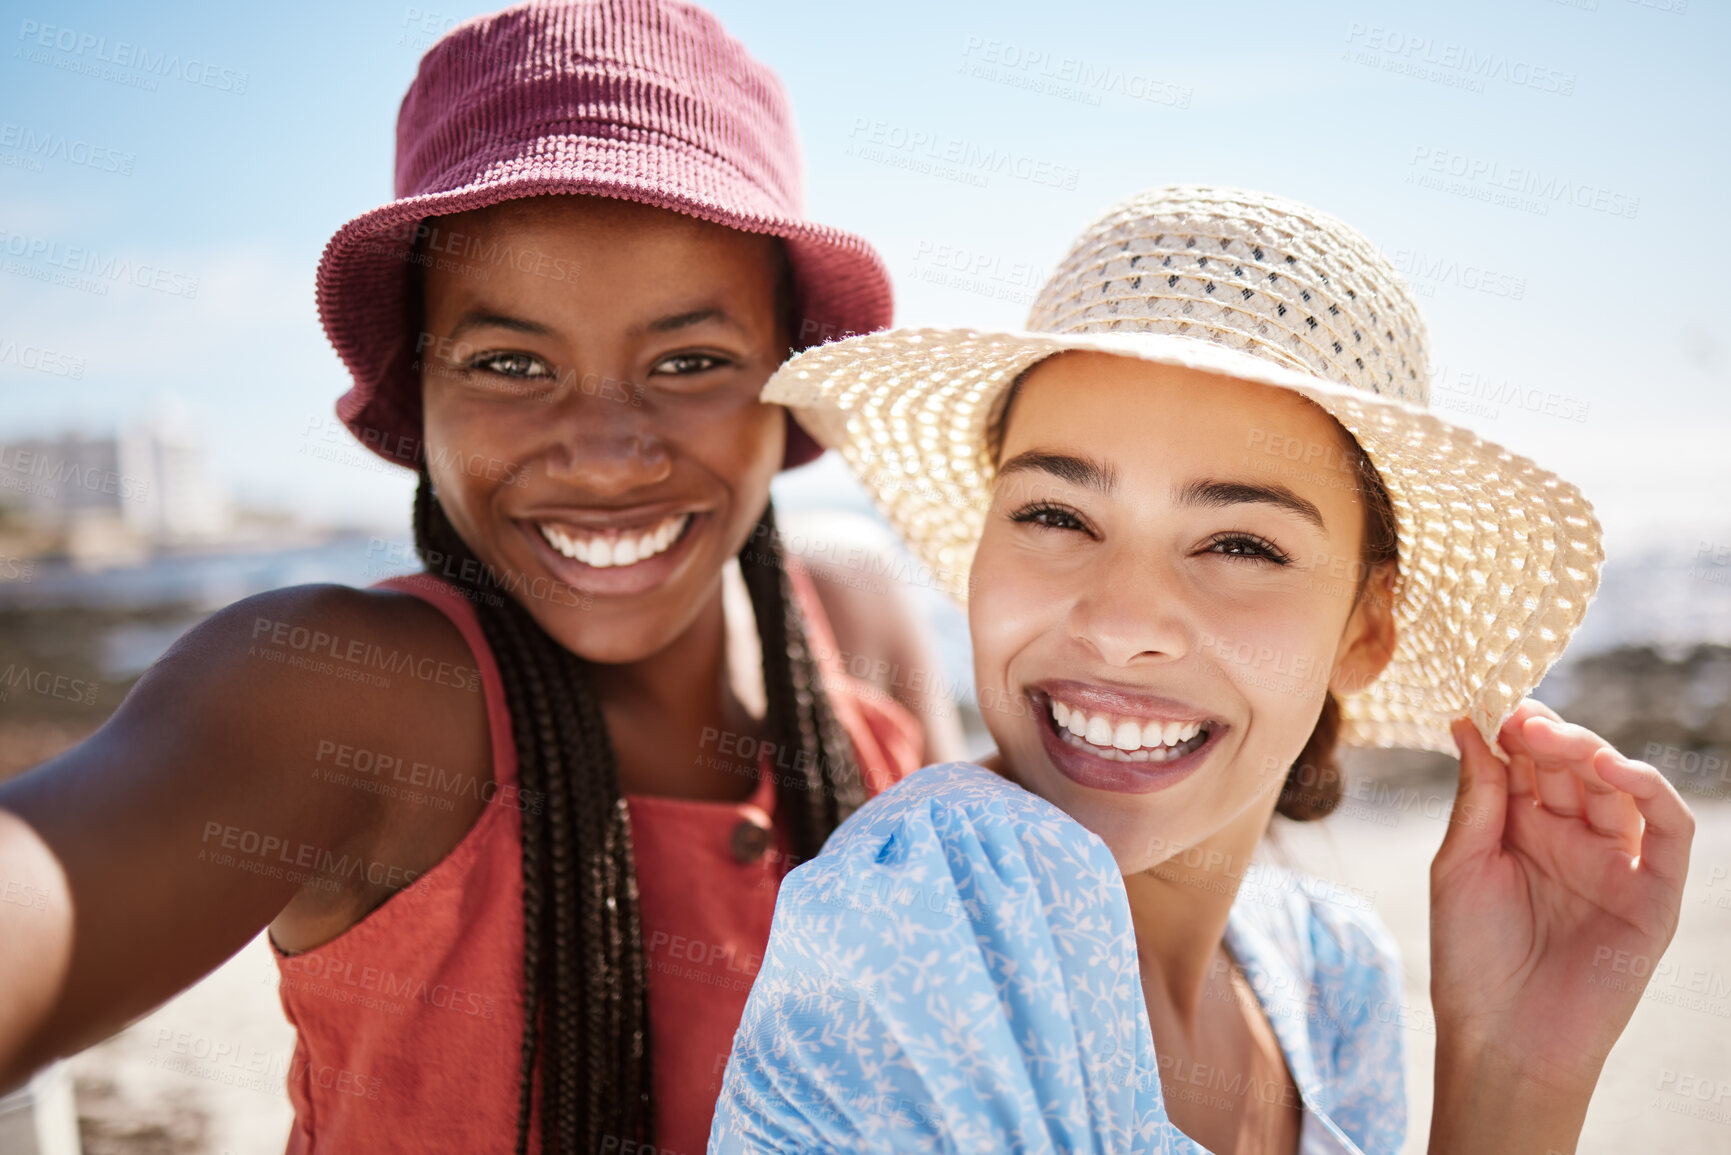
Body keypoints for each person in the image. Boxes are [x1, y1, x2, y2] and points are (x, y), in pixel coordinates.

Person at [0, 3, 962, 1153]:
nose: (606, 450)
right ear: (423, 393)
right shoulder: (345, 694)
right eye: (511, 362)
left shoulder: (853, 617)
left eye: (691, 360)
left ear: (787, 383)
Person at [711, 186, 1693, 1153]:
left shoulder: (1328, 974)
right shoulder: (931, 912)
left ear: (1365, 629)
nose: (1121, 624)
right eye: (1055, 516)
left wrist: (1513, 1072)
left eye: (1240, 545)